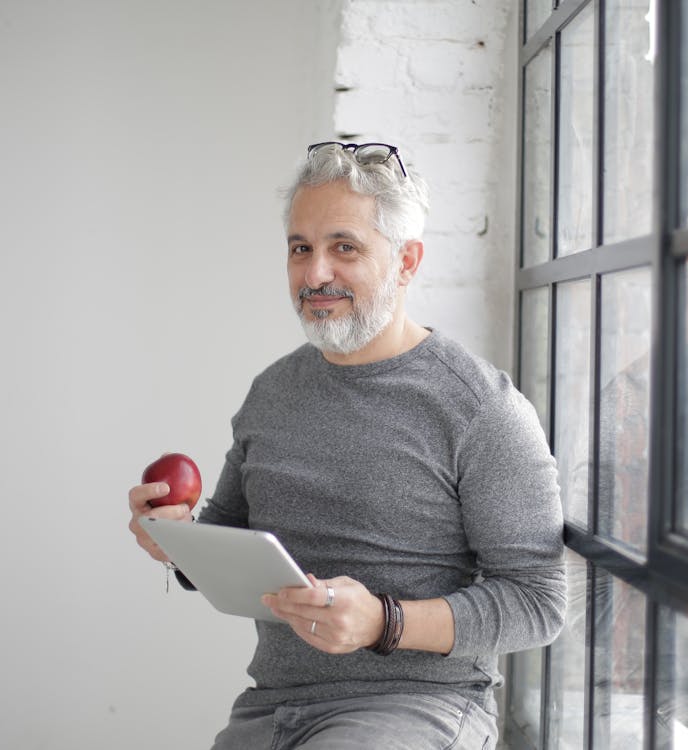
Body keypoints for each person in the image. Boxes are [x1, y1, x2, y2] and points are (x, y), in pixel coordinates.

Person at [127, 141, 566, 749]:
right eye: (300, 249)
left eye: (345, 248)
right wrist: (174, 538)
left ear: (407, 260)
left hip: (418, 708)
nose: (315, 274)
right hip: (270, 708)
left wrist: (386, 622)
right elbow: (227, 542)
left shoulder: (482, 409)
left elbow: (538, 603)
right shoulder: (273, 391)